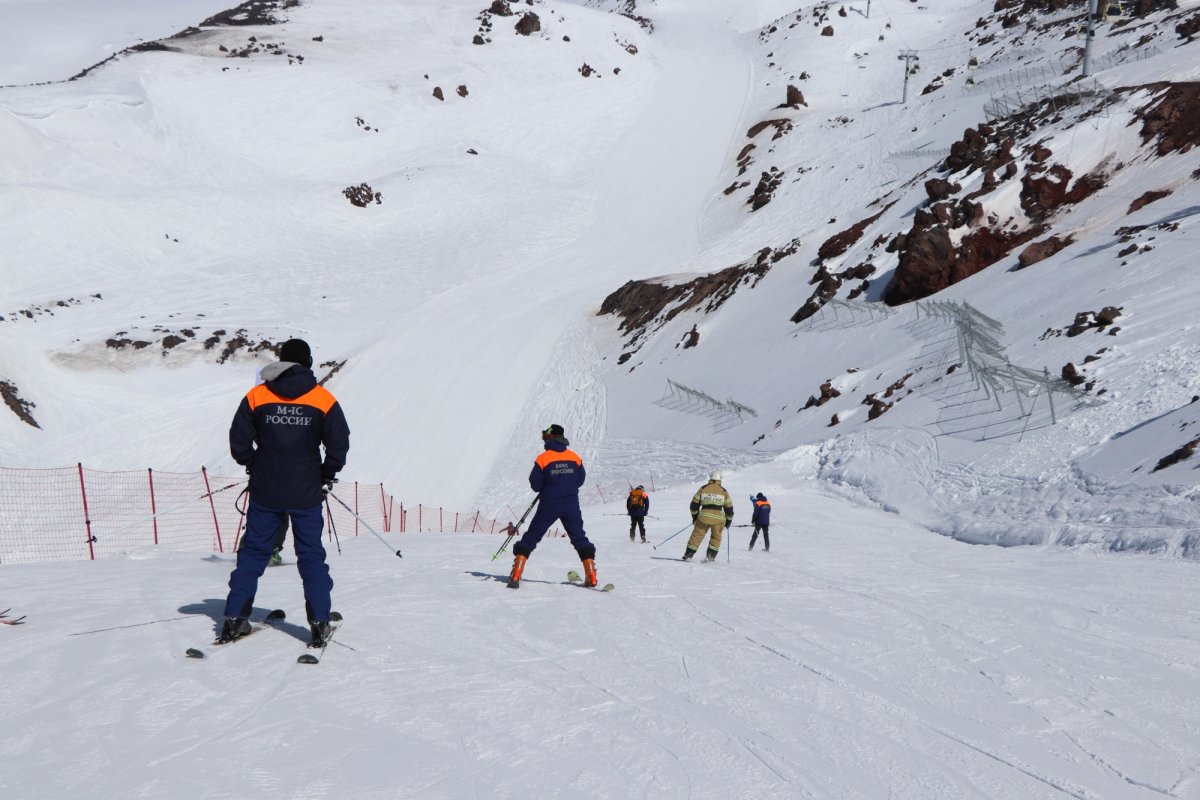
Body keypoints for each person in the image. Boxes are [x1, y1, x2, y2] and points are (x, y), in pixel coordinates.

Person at [221, 338, 350, 646]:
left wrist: (256, 463)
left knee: (253, 552)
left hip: (266, 489)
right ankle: (319, 621)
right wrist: (326, 473)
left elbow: (238, 440)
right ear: (307, 363)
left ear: (281, 361)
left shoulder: (257, 395)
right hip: (306, 490)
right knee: (310, 555)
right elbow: (339, 443)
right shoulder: (322, 398)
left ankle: (235, 618)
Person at [509, 424, 598, 588]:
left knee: (532, 536)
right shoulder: (574, 457)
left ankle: (516, 573)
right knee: (579, 537)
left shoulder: (543, 458)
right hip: (571, 504)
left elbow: (535, 484)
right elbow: (580, 480)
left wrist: (548, 487)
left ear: (550, 438)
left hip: (549, 503)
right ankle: (591, 575)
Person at [684, 471, 733, 562]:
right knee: (716, 538)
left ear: (710, 478)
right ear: (720, 479)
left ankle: (688, 555)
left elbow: (694, 505)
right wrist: (728, 521)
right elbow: (729, 509)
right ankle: (710, 557)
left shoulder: (703, 488)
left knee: (697, 536)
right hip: (718, 520)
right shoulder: (724, 491)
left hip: (703, 518)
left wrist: (695, 517)